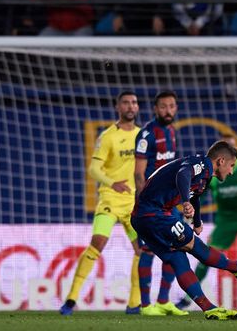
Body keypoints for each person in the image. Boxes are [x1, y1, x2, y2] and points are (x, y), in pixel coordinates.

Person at [130, 141, 237, 320]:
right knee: (194, 245)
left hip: (141, 218)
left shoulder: (205, 177)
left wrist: (197, 221)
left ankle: (209, 308)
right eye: (231, 166)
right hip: (154, 214)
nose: (232, 171)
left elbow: (195, 195)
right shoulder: (199, 164)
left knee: (177, 258)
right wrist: (185, 202)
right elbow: (183, 173)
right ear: (221, 161)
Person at [59, 92, 143, 316]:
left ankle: (134, 304)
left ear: (137, 107)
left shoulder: (143, 136)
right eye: (126, 102)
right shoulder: (107, 136)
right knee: (98, 243)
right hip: (110, 199)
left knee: (142, 250)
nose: (130, 106)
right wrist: (112, 183)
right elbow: (93, 169)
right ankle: (71, 299)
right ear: (118, 107)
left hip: (134, 203)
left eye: (134, 102)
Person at [174, 133, 237, 308]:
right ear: (220, 157)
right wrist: (194, 217)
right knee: (206, 253)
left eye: (232, 146)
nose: (231, 169)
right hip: (226, 220)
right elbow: (197, 194)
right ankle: (187, 298)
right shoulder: (212, 176)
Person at [133, 90, 184, 316]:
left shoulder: (171, 131)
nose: (168, 110)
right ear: (155, 109)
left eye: (171, 106)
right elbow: (138, 173)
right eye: (163, 106)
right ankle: (145, 305)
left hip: (168, 203)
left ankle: (163, 300)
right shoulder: (146, 135)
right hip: (150, 203)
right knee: (148, 250)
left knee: (176, 245)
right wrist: (143, 201)